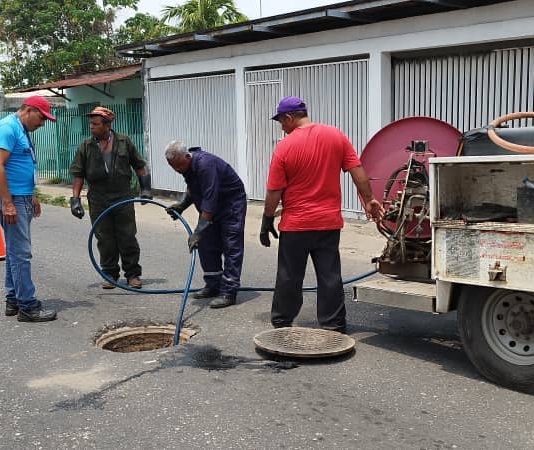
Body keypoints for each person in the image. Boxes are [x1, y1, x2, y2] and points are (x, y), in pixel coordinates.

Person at [261, 96, 384, 333]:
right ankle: (334, 325)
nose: (282, 128)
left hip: (296, 225)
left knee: (289, 276)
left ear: (289, 118)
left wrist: (267, 220)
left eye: (281, 122)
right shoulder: (335, 136)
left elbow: (274, 190)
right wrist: (369, 199)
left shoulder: (284, 147)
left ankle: (282, 322)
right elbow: (356, 169)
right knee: (330, 276)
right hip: (328, 223)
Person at [68, 106, 152, 289]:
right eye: (90, 123)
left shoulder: (124, 142)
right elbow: (78, 174)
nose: (91, 127)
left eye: (95, 124)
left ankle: (132, 275)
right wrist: (75, 199)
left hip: (122, 195)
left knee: (127, 236)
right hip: (98, 198)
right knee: (104, 238)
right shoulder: (86, 146)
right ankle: (109, 274)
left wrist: (145, 188)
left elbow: (139, 166)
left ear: (107, 125)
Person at [0, 96, 58, 322]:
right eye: (41, 118)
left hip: (22, 196)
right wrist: (8, 202)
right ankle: (27, 306)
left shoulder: (20, 129)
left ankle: (13, 299)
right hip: (13, 199)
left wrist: (32, 194)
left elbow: (22, 164)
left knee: (13, 251)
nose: (42, 124)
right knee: (21, 253)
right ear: (29, 110)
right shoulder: (7, 128)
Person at [164, 141, 247, 309]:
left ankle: (228, 292)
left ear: (187, 156)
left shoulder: (205, 165)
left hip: (230, 205)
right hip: (212, 207)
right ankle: (213, 284)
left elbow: (210, 198)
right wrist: (181, 205)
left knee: (231, 246)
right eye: (173, 168)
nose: (178, 170)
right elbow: (193, 188)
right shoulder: (188, 166)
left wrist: (198, 231)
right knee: (206, 244)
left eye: (179, 166)